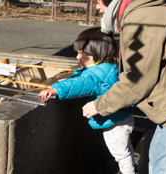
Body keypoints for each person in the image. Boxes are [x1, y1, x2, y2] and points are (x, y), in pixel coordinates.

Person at [83, 0, 166, 174]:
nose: (97, 7)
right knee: (158, 157)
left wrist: (98, 105)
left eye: (98, 2)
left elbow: (136, 79)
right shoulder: (146, 13)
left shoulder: (141, 19)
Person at [40, 27, 137, 174]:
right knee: (125, 149)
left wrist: (55, 89)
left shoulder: (92, 75)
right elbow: (82, 81)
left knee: (121, 154)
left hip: (114, 122)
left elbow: (80, 83)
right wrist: (73, 79)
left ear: (96, 54)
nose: (77, 57)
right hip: (124, 115)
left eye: (81, 53)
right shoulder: (110, 66)